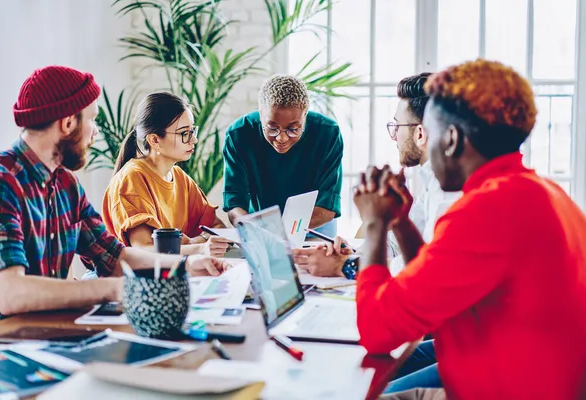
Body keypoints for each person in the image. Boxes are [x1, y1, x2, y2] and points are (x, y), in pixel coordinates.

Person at [355, 59, 586, 399]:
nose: (427, 151)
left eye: (429, 135)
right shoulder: (542, 191)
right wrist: (401, 222)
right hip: (523, 368)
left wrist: (374, 225)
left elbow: (376, 331)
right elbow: (434, 292)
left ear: (450, 139)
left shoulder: (487, 210)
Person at [0, 66, 229, 323]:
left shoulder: (67, 185)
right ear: (68, 122)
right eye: (92, 119)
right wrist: (116, 290)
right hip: (3, 344)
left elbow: (115, 257)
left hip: (52, 333)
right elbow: (10, 294)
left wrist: (185, 267)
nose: (96, 132)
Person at [292, 73, 460, 278]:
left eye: (398, 126)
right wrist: (352, 253)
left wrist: (346, 266)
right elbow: (398, 246)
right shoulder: (431, 181)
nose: (394, 136)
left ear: (419, 133)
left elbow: (433, 270)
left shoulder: (449, 193)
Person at [102, 92, 231, 257]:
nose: (194, 140)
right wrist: (199, 247)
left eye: (193, 131)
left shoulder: (179, 177)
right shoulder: (132, 178)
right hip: (131, 279)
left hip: (170, 273)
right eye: (185, 133)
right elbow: (142, 249)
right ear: (154, 140)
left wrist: (194, 241)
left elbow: (217, 228)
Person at [222, 74, 343, 237]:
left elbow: (328, 207)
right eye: (272, 128)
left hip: (314, 224)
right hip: (259, 226)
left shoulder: (328, 133)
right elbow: (234, 202)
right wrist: (252, 228)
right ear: (261, 114)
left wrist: (279, 230)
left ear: (305, 115)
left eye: (293, 129)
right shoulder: (239, 134)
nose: (281, 138)